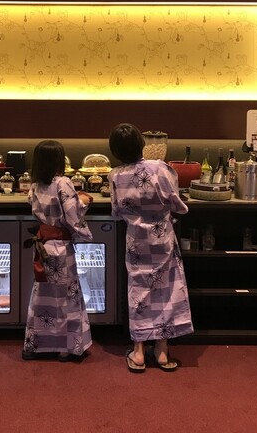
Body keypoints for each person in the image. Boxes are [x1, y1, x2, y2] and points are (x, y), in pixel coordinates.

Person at [108, 123, 193, 373]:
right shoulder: (160, 168)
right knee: (166, 291)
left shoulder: (115, 175)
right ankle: (162, 351)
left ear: (115, 151)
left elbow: (116, 212)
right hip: (162, 239)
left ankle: (138, 352)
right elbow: (177, 204)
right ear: (141, 144)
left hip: (136, 241)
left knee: (139, 293)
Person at [22, 139, 94, 362]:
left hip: (43, 246)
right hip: (61, 248)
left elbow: (34, 205)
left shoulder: (35, 185)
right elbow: (72, 216)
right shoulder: (63, 182)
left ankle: (37, 344)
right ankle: (65, 347)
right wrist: (84, 201)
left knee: (43, 294)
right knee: (66, 296)